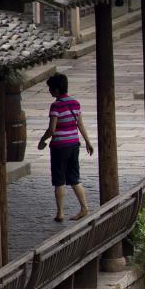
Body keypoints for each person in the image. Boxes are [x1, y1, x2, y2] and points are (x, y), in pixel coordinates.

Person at [38, 74, 93, 222]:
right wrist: (88, 142)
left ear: (56, 89)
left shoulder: (56, 106)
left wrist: (42, 140)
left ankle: (60, 213)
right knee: (74, 177)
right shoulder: (75, 103)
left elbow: (52, 129)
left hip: (59, 147)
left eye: (50, 88)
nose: (49, 91)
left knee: (59, 179)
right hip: (74, 144)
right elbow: (80, 124)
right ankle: (84, 208)